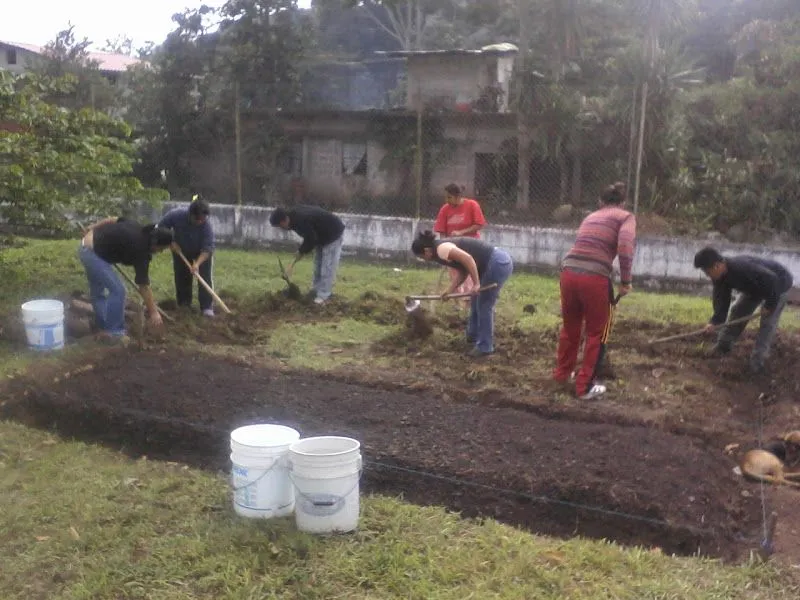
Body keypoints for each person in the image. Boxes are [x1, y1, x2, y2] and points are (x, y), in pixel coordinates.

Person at [553, 182, 636, 400]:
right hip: (595, 277)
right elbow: (626, 248)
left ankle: (561, 375)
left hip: (568, 272)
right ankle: (585, 387)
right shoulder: (625, 217)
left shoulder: (591, 217)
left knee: (570, 328)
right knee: (596, 332)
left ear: (600, 202)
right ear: (623, 203)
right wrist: (625, 281)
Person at [411, 230, 513, 358]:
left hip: (496, 263)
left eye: (421, 257)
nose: (424, 260)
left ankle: (485, 347)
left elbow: (468, 259)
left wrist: (476, 283)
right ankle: (473, 336)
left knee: (484, 304)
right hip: (492, 262)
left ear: (426, 251)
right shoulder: (439, 251)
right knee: (475, 299)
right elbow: (463, 270)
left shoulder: (442, 249)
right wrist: (449, 290)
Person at [693, 246, 793, 373]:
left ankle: (757, 363)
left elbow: (772, 280)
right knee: (737, 311)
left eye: (707, 272)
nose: (707, 276)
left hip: (778, 284)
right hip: (754, 288)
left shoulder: (742, 268)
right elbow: (721, 302)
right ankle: (723, 346)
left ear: (717, 266)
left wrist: (770, 305)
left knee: (768, 323)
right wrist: (715, 322)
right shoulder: (719, 278)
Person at [78, 217, 173, 342]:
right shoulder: (141, 250)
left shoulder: (136, 225)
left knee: (98, 290)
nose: (160, 252)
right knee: (118, 290)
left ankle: (102, 326)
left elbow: (113, 219)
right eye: (161, 249)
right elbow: (143, 285)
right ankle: (115, 332)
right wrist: (154, 312)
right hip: (92, 253)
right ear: (155, 243)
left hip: (91, 245)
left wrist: (92, 227)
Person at [269, 205, 346, 305]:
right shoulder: (293, 218)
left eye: (279, 226)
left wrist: (301, 252)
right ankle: (315, 291)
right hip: (320, 236)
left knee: (327, 267)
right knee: (318, 265)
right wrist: (300, 252)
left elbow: (311, 239)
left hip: (333, 234)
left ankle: (323, 296)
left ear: (283, 221)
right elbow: (310, 237)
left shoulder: (300, 219)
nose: (281, 229)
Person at [159, 196, 216, 317]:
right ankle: (184, 305)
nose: (200, 222)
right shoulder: (176, 215)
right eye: (198, 219)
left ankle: (206, 307)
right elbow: (160, 228)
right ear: (190, 214)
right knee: (182, 277)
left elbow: (207, 248)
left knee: (205, 277)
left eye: (203, 219)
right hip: (180, 250)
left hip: (201, 252)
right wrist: (170, 242)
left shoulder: (207, 226)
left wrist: (197, 264)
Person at [433, 183, 487, 302]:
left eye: (449, 197)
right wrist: (443, 246)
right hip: (452, 249)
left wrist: (461, 232)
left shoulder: (472, 205)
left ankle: (470, 300)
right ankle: (457, 303)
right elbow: (441, 231)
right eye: (446, 197)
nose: (447, 200)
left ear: (458, 196)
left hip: (471, 247)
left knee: (468, 275)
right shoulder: (445, 209)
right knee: (454, 277)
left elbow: (479, 224)